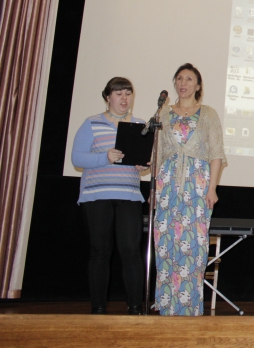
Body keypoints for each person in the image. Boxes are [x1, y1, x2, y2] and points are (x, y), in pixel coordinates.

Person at [154, 63, 226, 316]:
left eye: (189, 79)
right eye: (179, 78)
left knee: (192, 246)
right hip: (167, 185)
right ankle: (166, 306)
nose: (183, 83)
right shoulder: (163, 113)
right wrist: (154, 189)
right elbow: (158, 153)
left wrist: (212, 188)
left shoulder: (208, 114)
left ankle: (188, 308)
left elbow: (216, 154)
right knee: (165, 244)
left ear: (197, 86)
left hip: (197, 186)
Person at [72, 77, 148, 315]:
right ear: (108, 97)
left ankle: (135, 308)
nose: (124, 98)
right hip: (97, 196)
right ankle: (98, 309)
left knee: (132, 252)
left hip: (129, 195)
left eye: (128, 93)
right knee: (100, 252)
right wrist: (104, 157)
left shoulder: (140, 125)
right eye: (118, 93)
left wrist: (143, 165)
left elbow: (144, 160)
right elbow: (77, 158)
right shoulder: (92, 123)